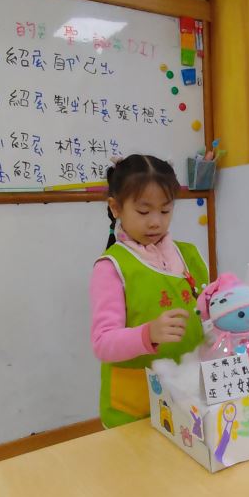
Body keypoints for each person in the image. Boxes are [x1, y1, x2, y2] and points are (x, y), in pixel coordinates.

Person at [89, 154, 209, 428]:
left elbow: (209, 313)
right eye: (144, 212)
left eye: (165, 211)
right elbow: (102, 343)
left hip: (191, 398)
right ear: (116, 208)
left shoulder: (189, 254)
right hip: (137, 409)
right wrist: (148, 334)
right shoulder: (111, 267)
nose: (156, 222)